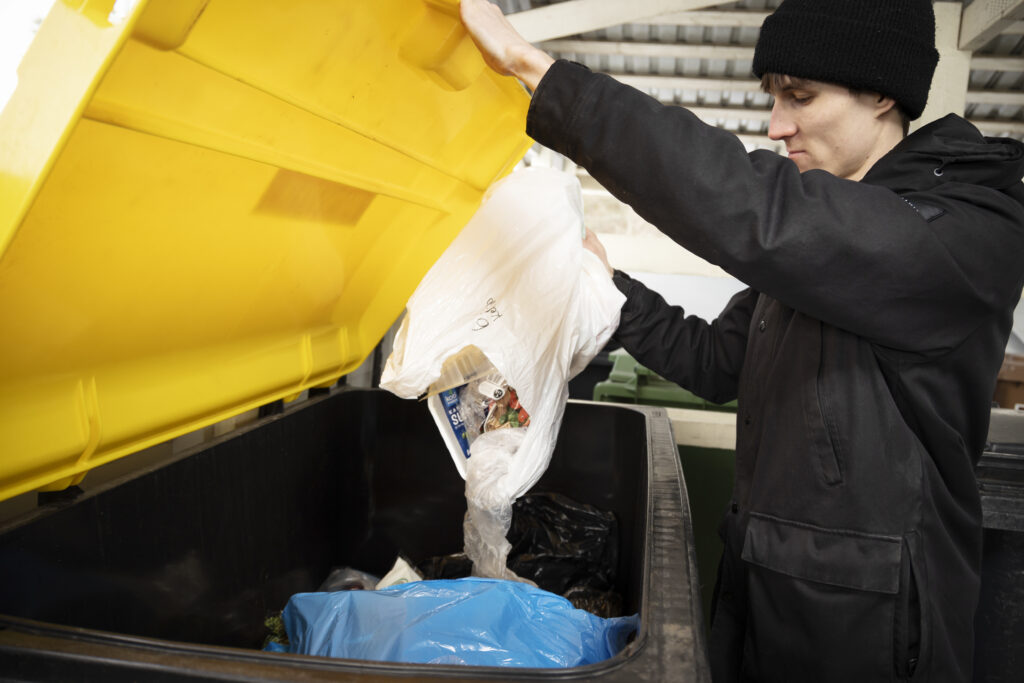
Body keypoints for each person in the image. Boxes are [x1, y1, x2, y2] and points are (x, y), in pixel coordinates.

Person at [460, 1, 1024, 681]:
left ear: (881, 93)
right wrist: (608, 287)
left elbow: (761, 212)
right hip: (766, 602)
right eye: (773, 97)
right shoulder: (823, 237)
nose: (775, 124)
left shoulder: (955, 229)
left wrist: (537, 71)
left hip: (870, 636)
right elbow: (716, 359)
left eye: (800, 96)